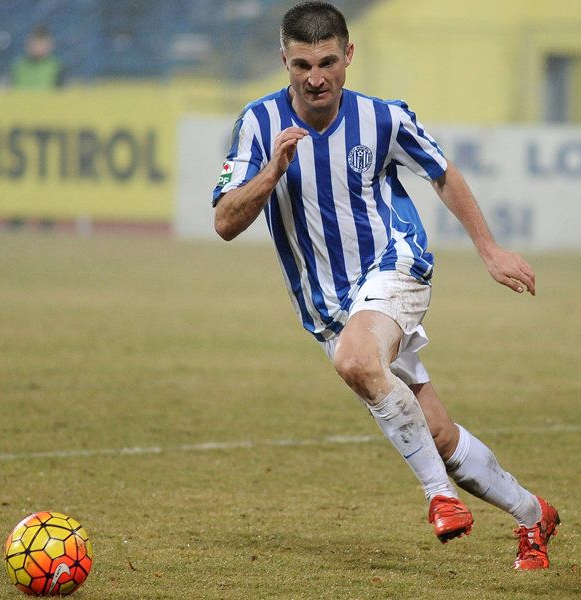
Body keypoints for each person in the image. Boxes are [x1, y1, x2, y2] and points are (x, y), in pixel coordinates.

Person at [212, 1, 559, 570]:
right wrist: (271, 173)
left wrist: (489, 249)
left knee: (355, 360)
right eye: (302, 64)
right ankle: (531, 515)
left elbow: (443, 174)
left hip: (396, 266)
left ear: (349, 55)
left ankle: (439, 499)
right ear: (284, 62)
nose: (316, 77)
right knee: (440, 435)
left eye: (327, 61)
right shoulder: (258, 124)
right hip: (328, 305)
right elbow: (225, 222)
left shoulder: (384, 119)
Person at [12, 25, 64, 89]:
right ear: (28, 43)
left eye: (41, 42)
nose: (38, 47)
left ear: (50, 45)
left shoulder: (56, 66)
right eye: (35, 42)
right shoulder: (17, 65)